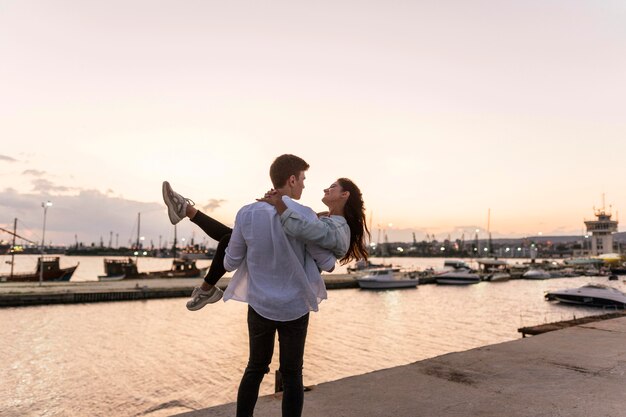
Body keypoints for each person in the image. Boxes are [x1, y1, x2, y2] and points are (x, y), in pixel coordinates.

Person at [161, 154, 361, 417]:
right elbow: (325, 261)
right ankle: (189, 213)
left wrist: (245, 244)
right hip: (295, 307)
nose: (304, 185)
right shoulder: (306, 215)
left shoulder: (248, 212)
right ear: (291, 179)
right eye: (302, 179)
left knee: (255, 368)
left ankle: (190, 218)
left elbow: (230, 262)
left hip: (260, 305)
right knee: (292, 375)